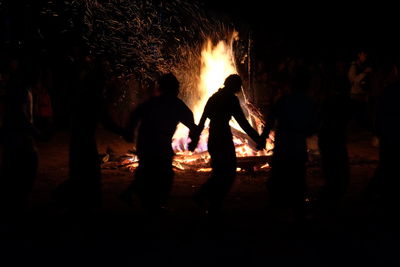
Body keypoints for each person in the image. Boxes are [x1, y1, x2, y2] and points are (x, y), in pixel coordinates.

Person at [120, 73, 198, 215]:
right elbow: (192, 125)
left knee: (148, 171)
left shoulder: (155, 102)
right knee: (164, 174)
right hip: (157, 142)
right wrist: (193, 141)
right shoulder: (175, 104)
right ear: (175, 88)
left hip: (147, 142)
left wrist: (129, 131)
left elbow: (135, 115)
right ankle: (153, 205)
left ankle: (137, 197)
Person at [189, 74, 260, 217]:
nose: (240, 88)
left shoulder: (213, 98)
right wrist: (257, 138)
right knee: (228, 173)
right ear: (234, 86)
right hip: (223, 138)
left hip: (214, 139)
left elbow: (202, 120)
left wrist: (195, 139)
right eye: (238, 86)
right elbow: (243, 123)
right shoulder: (231, 99)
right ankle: (210, 201)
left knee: (219, 173)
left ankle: (208, 200)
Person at [258, 67, 316, 221]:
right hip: (296, 144)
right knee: (297, 177)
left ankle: (277, 208)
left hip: (284, 143)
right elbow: (312, 127)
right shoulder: (307, 102)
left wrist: (263, 137)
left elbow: (271, 118)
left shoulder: (285, 100)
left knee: (279, 175)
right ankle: (296, 212)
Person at [348, 50, 373, 130]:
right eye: (363, 54)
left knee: (362, 113)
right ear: (359, 55)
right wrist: (364, 73)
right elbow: (353, 80)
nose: (365, 55)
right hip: (356, 94)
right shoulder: (354, 66)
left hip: (363, 94)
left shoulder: (365, 65)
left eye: (366, 54)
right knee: (356, 113)